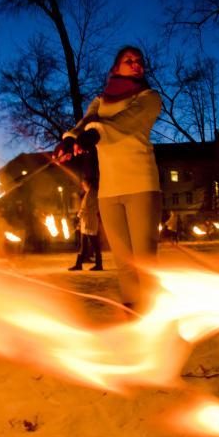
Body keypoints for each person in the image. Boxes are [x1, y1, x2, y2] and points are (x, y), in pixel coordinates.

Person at [56, 45, 162, 312]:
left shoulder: (149, 97)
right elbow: (85, 123)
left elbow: (127, 122)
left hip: (141, 185)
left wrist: (95, 134)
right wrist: (70, 141)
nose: (137, 64)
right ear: (115, 68)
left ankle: (152, 316)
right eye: (129, 60)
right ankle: (133, 315)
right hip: (109, 192)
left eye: (140, 61)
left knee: (144, 261)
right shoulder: (100, 102)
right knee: (124, 263)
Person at [69, 178, 102, 271]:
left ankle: (99, 264)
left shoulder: (92, 193)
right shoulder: (89, 193)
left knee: (95, 244)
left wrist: (79, 215)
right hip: (86, 222)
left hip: (90, 222)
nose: (83, 186)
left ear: (88, 184)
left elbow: (85, 208)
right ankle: (78, 264)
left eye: (84, 184)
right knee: (83, 245)